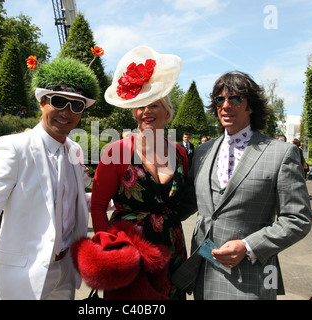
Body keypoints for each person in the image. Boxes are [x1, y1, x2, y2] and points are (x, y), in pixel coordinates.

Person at [0, 57, 100, 300]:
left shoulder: (74, 152)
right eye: (59, 101)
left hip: (65, 277)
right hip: (18, 284)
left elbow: (69, 203)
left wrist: (118, 197)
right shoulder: (14, 148)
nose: (66, 112)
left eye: (76, 106)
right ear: (42, 102)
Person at [172, 71, 312, 300]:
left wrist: (248, 246)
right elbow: (187, 203)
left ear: (251, 107)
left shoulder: (281, 153)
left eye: (235, 99)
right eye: (220, 99)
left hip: (251, 276)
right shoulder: (203, 152)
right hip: (204, 274)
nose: (225, 105)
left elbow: (298, 219)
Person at [91, 46, 189, 300]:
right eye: (141, 106)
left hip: (172, 251)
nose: (146, 112)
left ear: (167, 113)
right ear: (134, 113)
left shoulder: (181, 155)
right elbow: (99, 206)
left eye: (154, 105)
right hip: (127, 253)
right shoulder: (117, 151)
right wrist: (108, 249)